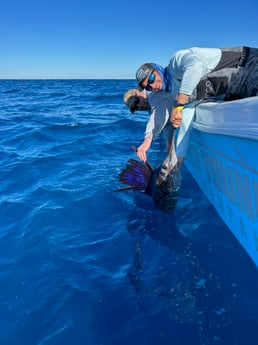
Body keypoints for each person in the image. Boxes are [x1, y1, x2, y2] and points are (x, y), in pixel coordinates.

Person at [135, 46, 258, 159]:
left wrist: (178, 106)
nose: (152, 86)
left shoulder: (175, 62)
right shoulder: (175, 94)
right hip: (237, 91)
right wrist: (178, 160)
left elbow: (195, 66)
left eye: (151, 79)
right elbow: (185, 124)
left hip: (248, 65)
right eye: (148, 87)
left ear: (157, 69)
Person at [123, 89, 177, 163]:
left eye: (136, 102)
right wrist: (169, 143)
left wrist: (147, 141)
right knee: (169, 147)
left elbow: (158, 114)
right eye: (135, 108)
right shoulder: (150, 108)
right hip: (174, 112)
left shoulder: (152, 93)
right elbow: (166, 120)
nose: (139, 106)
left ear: (138, 93)